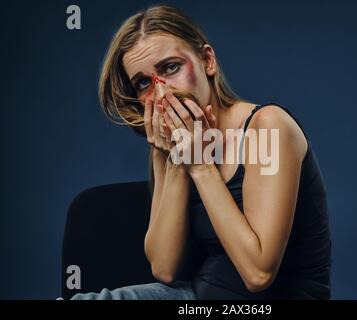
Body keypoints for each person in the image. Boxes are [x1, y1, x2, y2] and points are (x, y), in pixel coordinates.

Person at [71, 4, 332, 300]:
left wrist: (200, 165)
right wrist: (174, 160)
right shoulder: (173, 143)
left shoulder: (268, 127)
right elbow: (164, 267)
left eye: (171, 67)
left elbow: (258, 274)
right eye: (143, 83)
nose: (161, 93)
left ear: (208, 61)